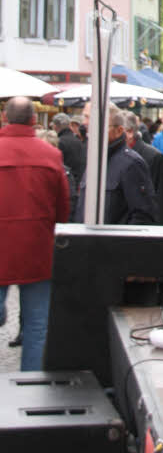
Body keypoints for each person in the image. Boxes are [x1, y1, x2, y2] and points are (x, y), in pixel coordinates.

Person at [0, 96, 70, 370]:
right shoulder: (51, 154)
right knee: (38, 324)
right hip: (37, 247)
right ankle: (30, 383)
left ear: (5, 117)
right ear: (33, 119)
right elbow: (63, 206)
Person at [75, 106, 158, 225]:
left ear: (119, 130)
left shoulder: (131, 164)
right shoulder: (94, 160)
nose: (89, 129)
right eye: (88, 124)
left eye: (98, 126)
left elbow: (143, 215)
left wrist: (117, 242)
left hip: (113, 242)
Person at [122, 111, 163, 225]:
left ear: (129, 132)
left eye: (118, 130)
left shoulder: (154, 157)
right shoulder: (112, 156)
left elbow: (162, 202)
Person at [51, 111, 86, 185]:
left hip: (67, 182)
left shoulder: (60, 142)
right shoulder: (78, 141)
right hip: (79, 181)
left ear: (55, 126)